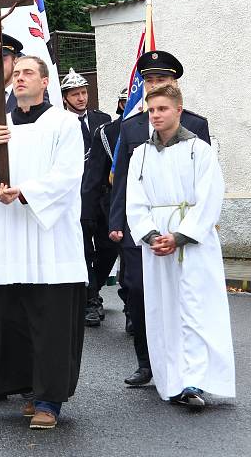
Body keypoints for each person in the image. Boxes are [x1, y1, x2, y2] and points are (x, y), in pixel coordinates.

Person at [0, 56, 87, 430]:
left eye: (27, 73)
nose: (19, 78)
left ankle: (50, 400)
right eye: (15, 73)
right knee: (11, 316)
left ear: (45, 81)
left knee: (49, 319)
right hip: (6, 237)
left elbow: (68, 175)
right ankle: (26, 388)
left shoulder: (63, 122)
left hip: (47, 236)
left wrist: (24, 193)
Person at [125, 84, 234, 409]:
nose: (156, 116)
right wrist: (151, 235)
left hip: (193, 245)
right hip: (157, 245)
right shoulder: (140, 155)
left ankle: (196, 380)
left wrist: (181, 236)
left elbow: (210, 198)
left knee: (195, 310)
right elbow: (134, 201)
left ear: (178, 109)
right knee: (165, 312)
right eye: (151, 110)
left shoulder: (199, 151)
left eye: (162, 109)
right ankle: (172, 380)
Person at [108, 50, 210, 388]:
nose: (155, 85)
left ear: (174, 84)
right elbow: (123, 176)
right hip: (142, 227)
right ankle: (145, 362)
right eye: (149, 80)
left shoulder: (195, 125)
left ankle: (182, 364)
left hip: (179, 227)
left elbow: (201, 180)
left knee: (183, 296)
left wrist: (192, 227)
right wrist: (116, 221)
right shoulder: (132, 125)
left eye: (161, 80)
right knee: (136, 290)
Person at [59, 68, 113, 327]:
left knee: (108, 246)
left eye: (83, 93)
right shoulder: (59, 121)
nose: (81, 98)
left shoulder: (103, 119)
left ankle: (95, 285)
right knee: (82, 250)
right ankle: (91, 300)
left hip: (101, 195)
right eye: (75, 94)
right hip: (73, 196)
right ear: (65, 97)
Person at [81, 87, 131, 332]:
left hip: (139, 206)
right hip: (107, 204)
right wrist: (88, 209)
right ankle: (90, 296)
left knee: (125, 259)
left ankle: (133, 307)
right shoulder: (108, 132)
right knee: (95, 251)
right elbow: (94, 172)